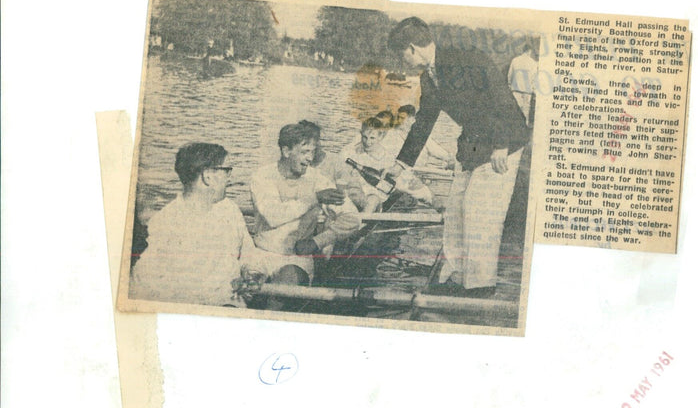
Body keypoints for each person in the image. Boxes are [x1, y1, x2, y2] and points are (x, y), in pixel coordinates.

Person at [386, 17, 529, 297]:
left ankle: (480, 285)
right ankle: (454, 275)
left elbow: (498, 98)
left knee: (479, 210)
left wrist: (501, 144)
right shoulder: (428, 76)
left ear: (413, 48)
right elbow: (424, 120)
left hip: (505, 139)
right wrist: (401, 163)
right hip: (474, 143)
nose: (401, 61)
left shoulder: (464, 60)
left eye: (401, 54)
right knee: (455, 209)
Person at [130, 142, 267, 307]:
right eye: (226, 171)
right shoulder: (165, 223)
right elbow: (142, 286)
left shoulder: (230, 210)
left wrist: (252, 275)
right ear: (207, 176)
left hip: (232, 305)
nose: (230, 178)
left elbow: (250, 255)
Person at [250, 123, 360, 284]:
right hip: (260, 254)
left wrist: (317, 242)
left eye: (313, 151)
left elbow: (353, 218)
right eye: (304, 152)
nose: (310, 158)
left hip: (296, 259)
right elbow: (273, 216)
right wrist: (314, 198)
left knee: (288, 279)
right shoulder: (262, 176)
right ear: (286, 151)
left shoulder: (319, 180)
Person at [382, 104, 455, 168]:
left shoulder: (420, 137)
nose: (398, 121)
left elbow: (445, 156)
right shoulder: (391, 134)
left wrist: (448, 162)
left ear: (412, 119)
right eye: (398, 118)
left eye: (402, 118)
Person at [507, 42, 538, 126]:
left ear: (523, 50)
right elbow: (534, 78)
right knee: (526, 109)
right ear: (529, 51)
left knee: (517, 108)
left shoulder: (515, 60)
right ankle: (525, 124)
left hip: (516, 88)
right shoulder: (533, 63)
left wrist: (509, 85)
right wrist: (534, 90)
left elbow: (510, 74)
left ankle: (516, 127)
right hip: (527, 89)